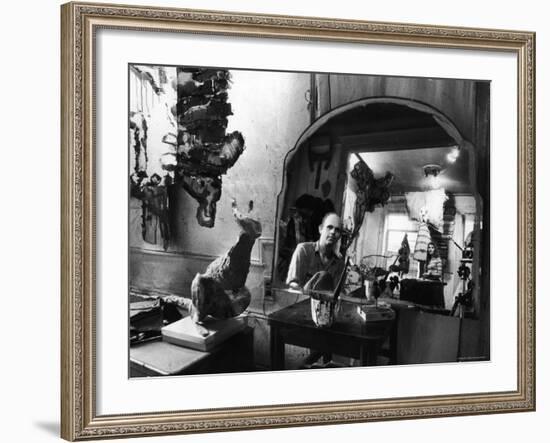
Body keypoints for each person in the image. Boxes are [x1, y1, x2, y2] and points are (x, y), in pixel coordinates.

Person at [286, 212, 346, 290]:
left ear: (340, 236)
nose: (333, 232)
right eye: (329, 227)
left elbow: (336, 294)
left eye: (337, 230)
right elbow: (293, 285)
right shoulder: (304, 250)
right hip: (301, 300)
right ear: (320, 229)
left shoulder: (339, 265)